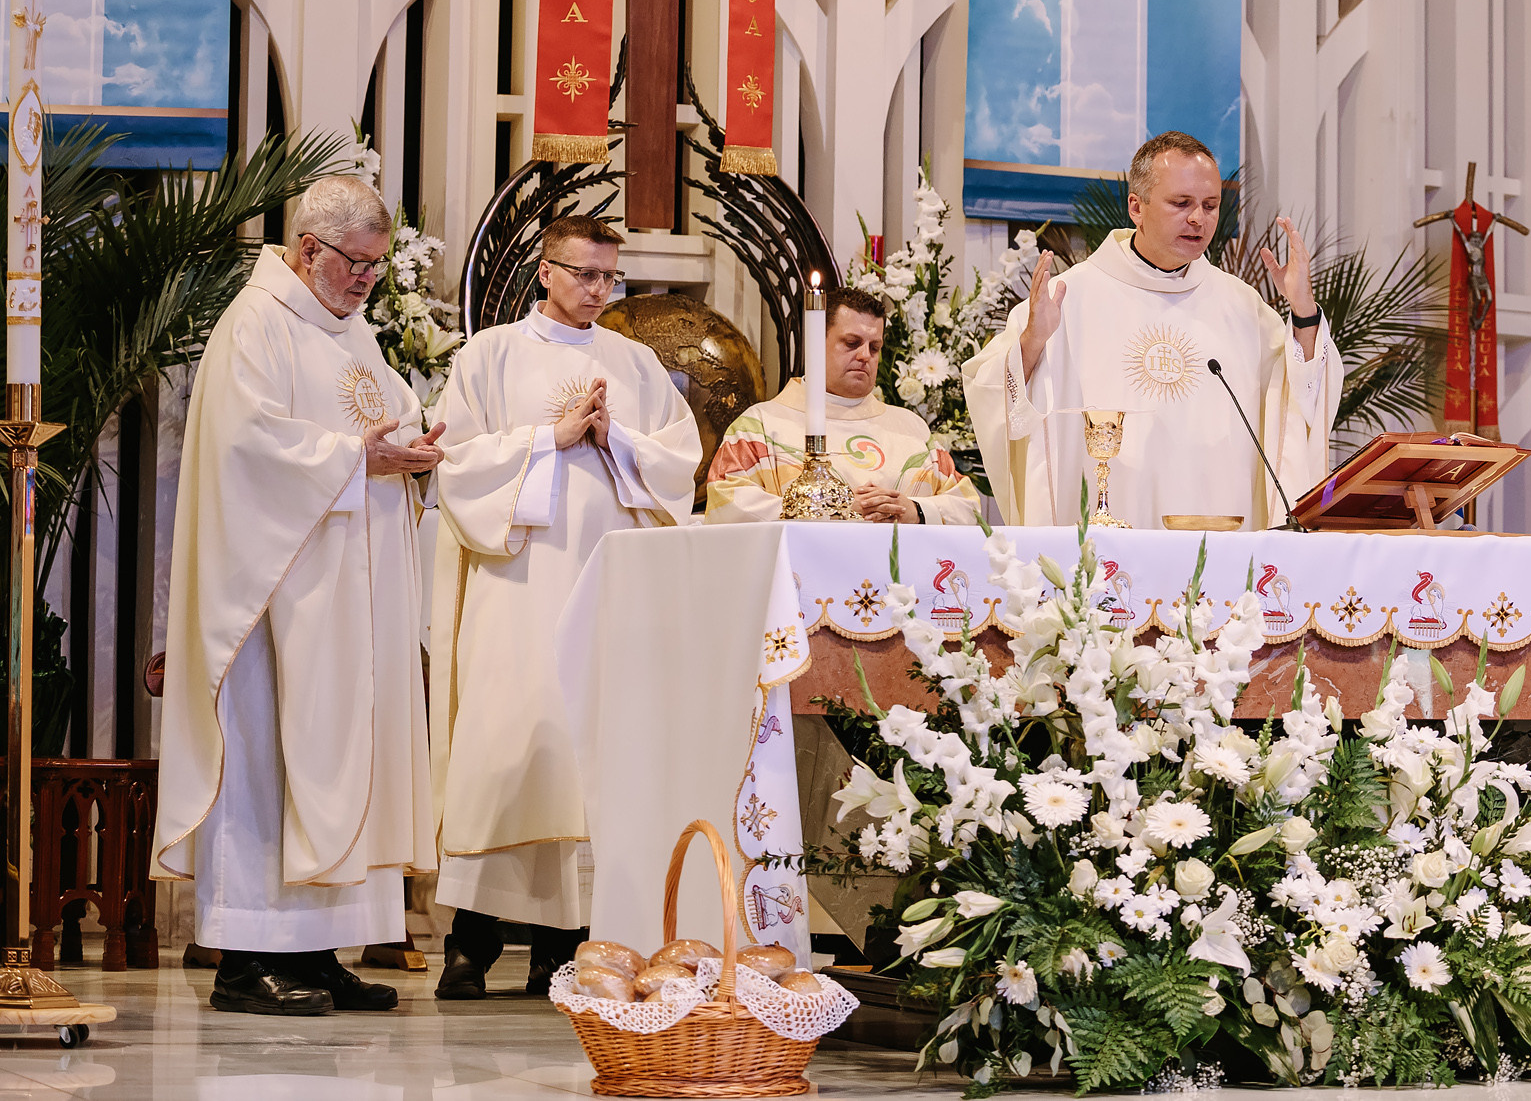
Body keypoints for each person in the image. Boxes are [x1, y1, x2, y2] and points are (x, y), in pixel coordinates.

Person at [152, 177, 446, 1016]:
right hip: (276, 600)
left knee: (343, 754)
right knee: (270, 760)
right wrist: (356, 460)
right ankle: (249, 957)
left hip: (352, 598)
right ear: (309, 248)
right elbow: (247, 451)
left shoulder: (352, 332)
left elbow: (385, 422)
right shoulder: (254, 327)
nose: (368, 280)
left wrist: (416, 450)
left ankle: (320, 951)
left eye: (378, 266)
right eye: (356, 263)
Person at [427, 218, 700, 998]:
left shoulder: (635, 364)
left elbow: (678, 464)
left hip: (602, 589)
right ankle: (470, 942)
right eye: (584, 273)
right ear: (545, 271)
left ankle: (563, 946)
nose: (598, 290)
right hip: (515, 588)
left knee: (582, 761)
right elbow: (455, 463)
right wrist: (549, 439)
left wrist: (619, 441)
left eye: (609, 276)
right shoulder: (489, 355)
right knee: (504, 751)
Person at [961, 131, 1342, 529]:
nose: (1198, 219)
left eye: (1210, 206)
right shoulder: (1068, 296)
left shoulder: (1242, 305)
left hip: (1216, 535)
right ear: (1136, 207)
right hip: (1102, 543)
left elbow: (1300, 396)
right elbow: (992, 396)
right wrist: (1033, 340)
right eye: (1181, 203)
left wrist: (1303, 310)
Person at [704, 286, 984, 524]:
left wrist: (915, 510)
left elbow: (969, 507)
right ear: (816, 343)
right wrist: (834, 512)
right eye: (852, 343)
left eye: (874, 347)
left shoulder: (912, 430)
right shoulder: (759, 428)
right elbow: (725, 504)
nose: (865, 356)